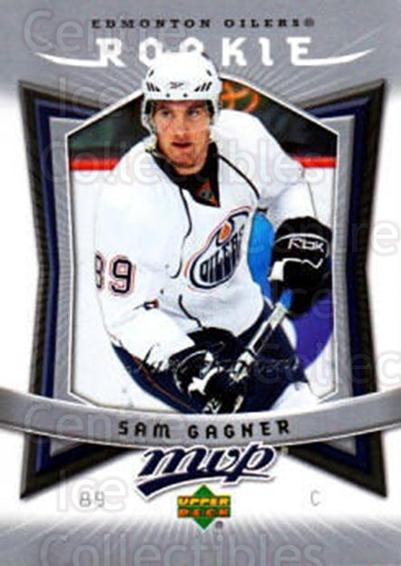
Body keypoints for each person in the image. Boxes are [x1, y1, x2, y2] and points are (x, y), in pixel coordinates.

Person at [94, 51, 331, 414]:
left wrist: (299, 234)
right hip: (167, 335)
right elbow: (125, 314)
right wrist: (188, 362)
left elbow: (286, 187)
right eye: (166, 113)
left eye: (193, 112)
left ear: (213, 112)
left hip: (242, 312)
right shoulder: (127, 196)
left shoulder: (245, 137)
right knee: (236, 435)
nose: (180, 130)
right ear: (150, 117)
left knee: (300, 412)